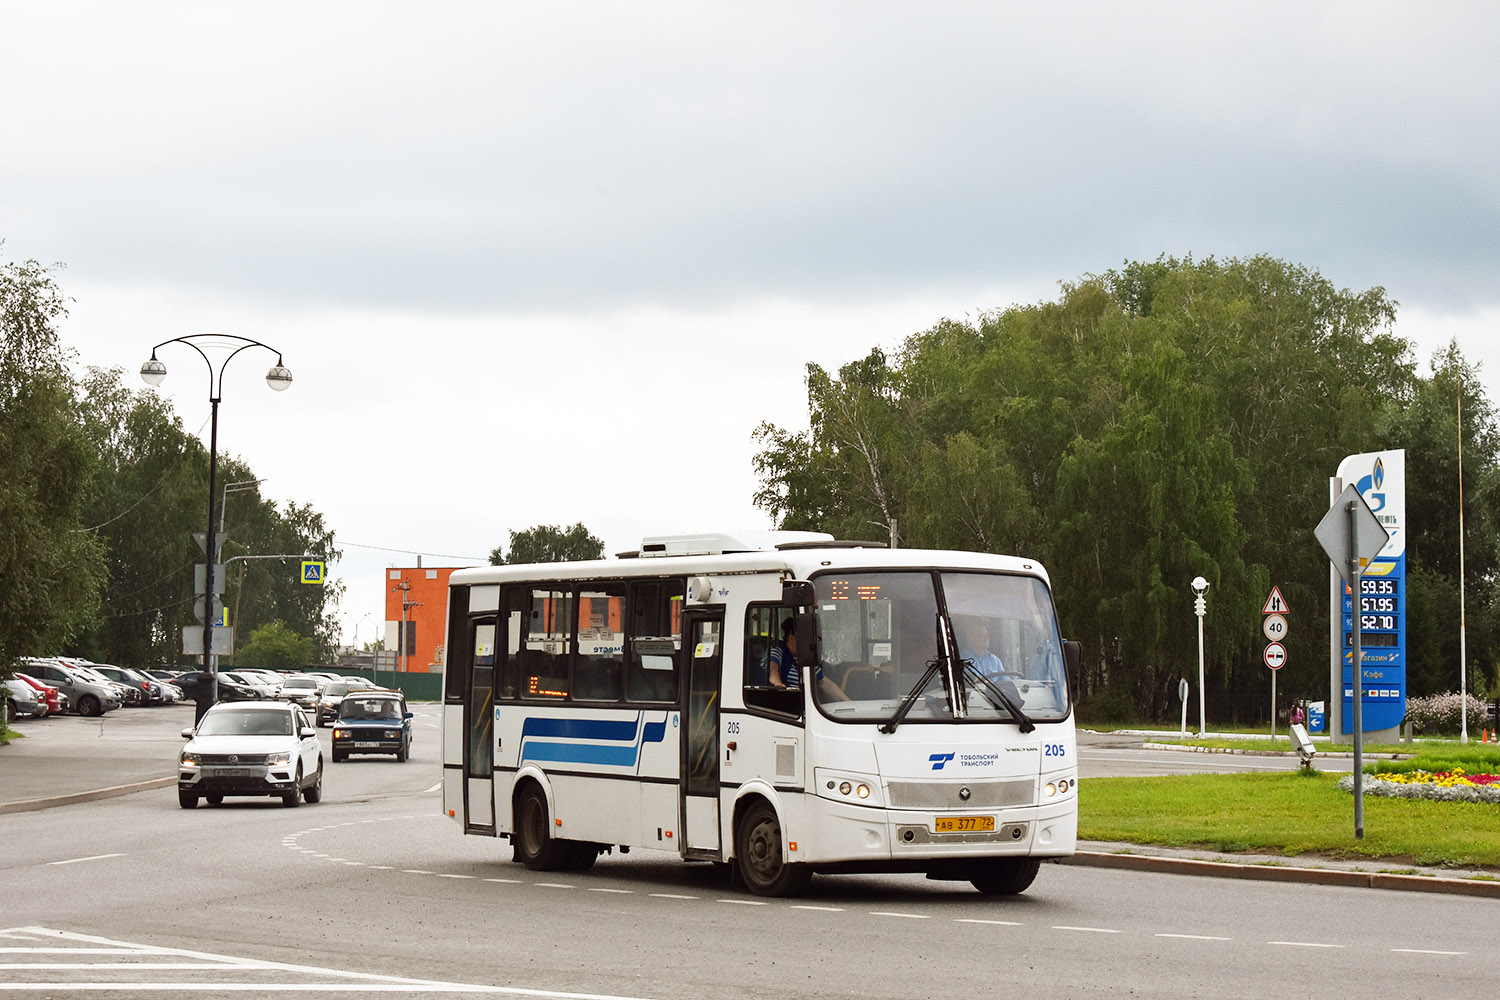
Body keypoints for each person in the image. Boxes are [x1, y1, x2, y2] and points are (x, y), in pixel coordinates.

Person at [768, 617, 850, 702]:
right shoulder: (777, 650)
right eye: (804, 638)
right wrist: (777, 683)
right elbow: (773, 668)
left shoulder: (806, 657)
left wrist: (847, 702)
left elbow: (823, 682)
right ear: (791, 638)